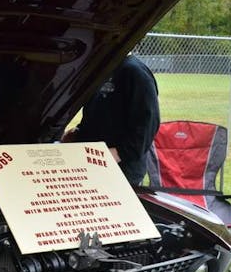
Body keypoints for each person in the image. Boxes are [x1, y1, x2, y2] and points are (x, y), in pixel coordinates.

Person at [63, 54, 160, 185]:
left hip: (121, 170)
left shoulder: (135, 72)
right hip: (93, 162)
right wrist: (79, 132)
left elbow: (148, 124)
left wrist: (119, 153)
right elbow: (96, 113)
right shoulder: (102, 70)